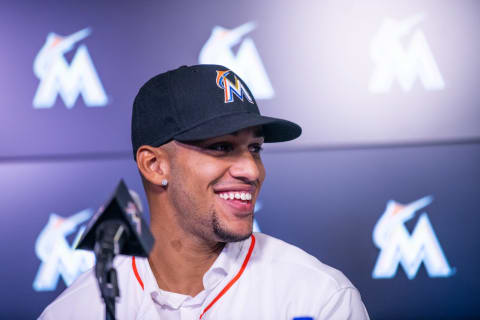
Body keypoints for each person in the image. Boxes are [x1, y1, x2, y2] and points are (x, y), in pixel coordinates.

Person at [39, 65, 369, 319]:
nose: (252, 171)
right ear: (155, 165)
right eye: (222, 147)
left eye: (255, 148)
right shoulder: (76, 311)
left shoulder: (319, 297)